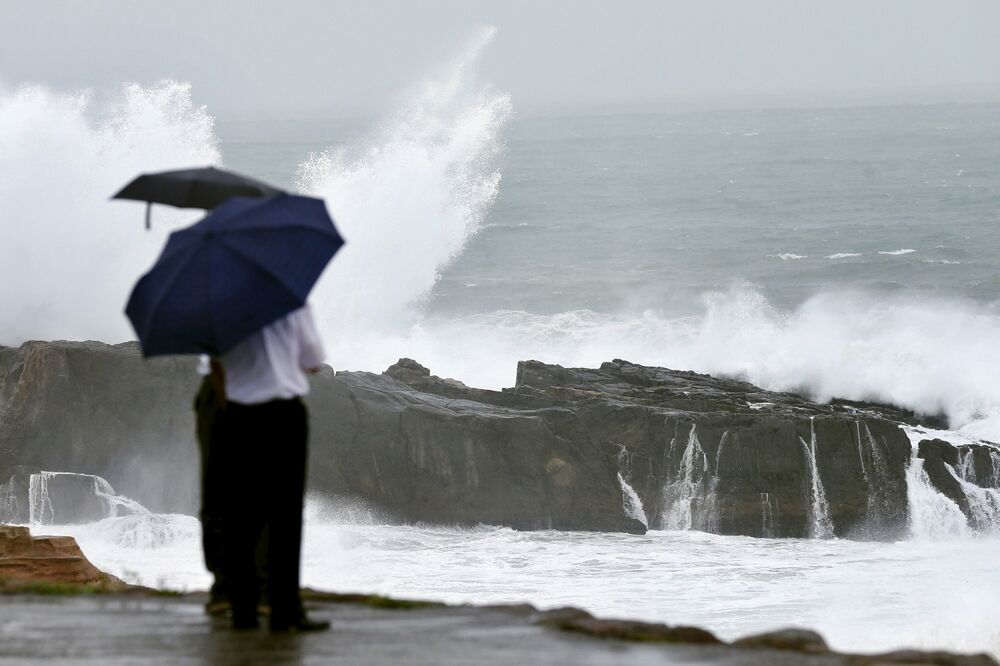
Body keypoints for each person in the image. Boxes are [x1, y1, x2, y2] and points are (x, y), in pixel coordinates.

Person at [211, 303, 330, 632]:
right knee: (285, 515)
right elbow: (313, 361)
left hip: (238, 415)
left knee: (240, 515)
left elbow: (215, 364)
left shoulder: (222, 307)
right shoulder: (290, 302)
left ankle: (243, 612)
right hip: (283, 415)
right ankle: (284, 611)